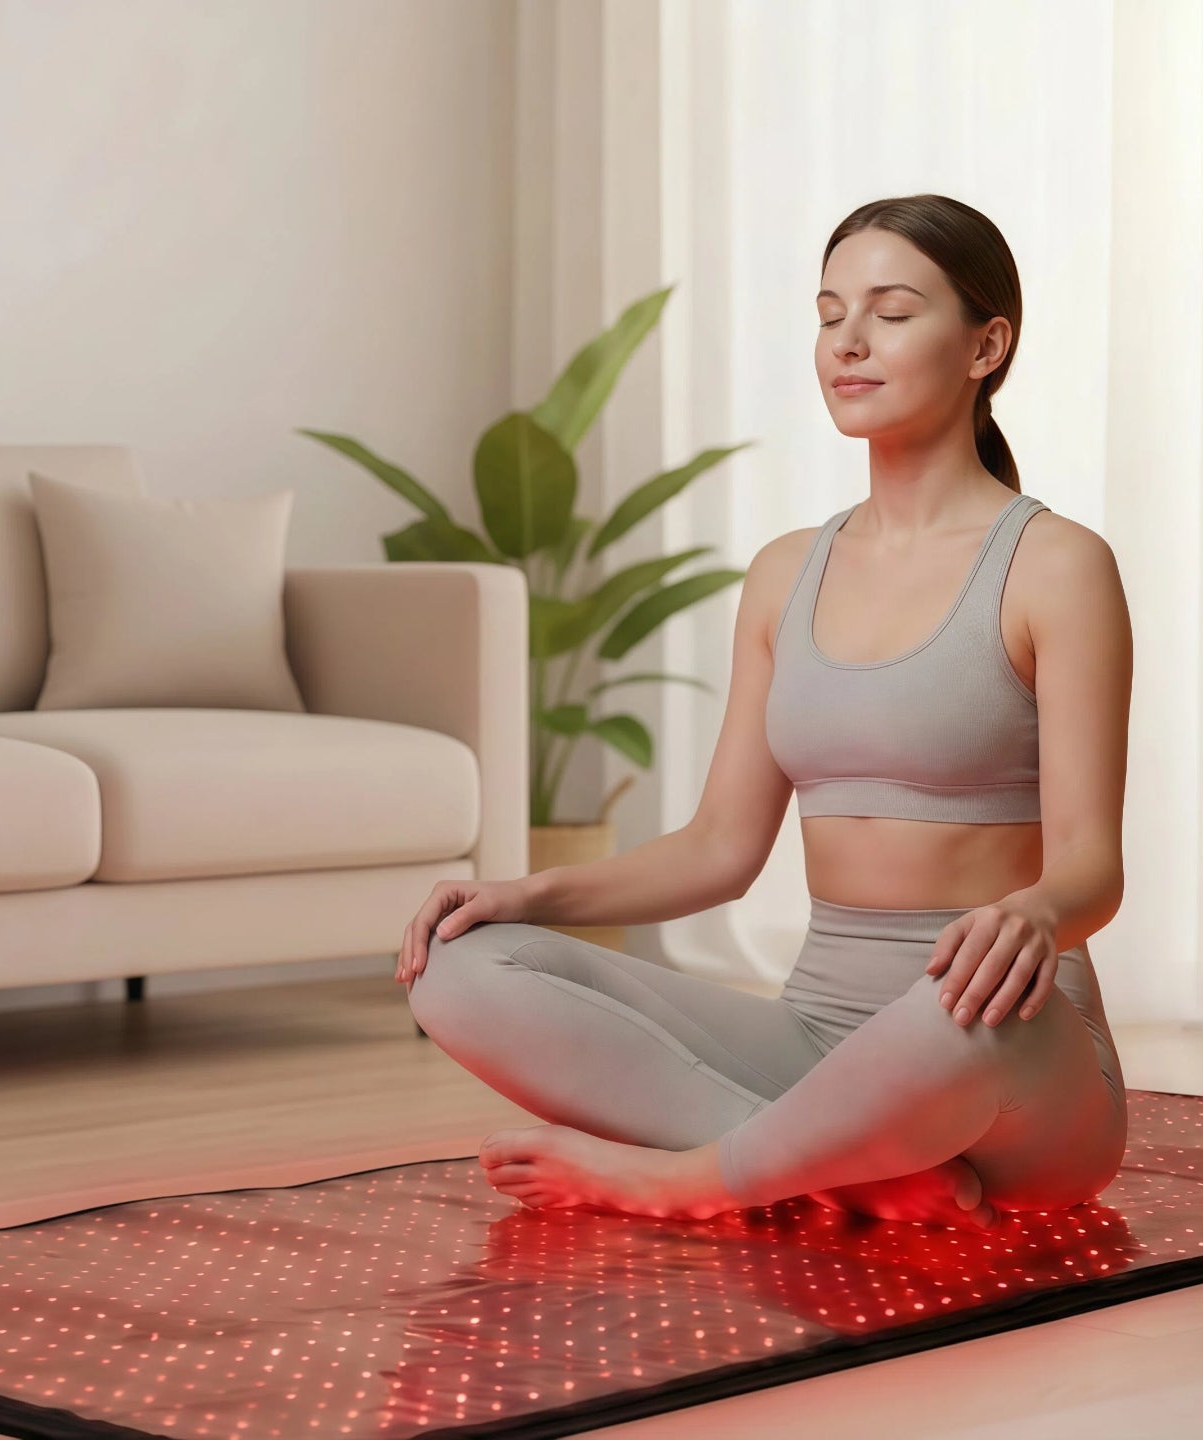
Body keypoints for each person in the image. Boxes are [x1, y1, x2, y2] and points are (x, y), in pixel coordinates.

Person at [400, 193, 1132, 1229]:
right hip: (814, 1041)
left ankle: (687, 1178)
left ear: (986, 345)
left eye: (890, 311)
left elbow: (1093, 871)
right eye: (831, 314)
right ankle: (853, 1167)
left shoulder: (1057, 566)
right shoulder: (789, 572)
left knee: (959, 1019)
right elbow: (717, 850)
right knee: (458, 972)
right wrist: (524, 894)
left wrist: (1035, 911)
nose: (849, 342)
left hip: (1003, 1059)